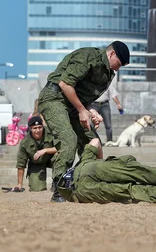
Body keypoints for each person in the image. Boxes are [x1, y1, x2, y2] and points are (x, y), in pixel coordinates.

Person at [36, 41, 130, 202]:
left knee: (92, 142)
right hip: (54, 98)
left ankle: (86, 181)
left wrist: (91, 111)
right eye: (119, 64)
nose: (117, 68)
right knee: (68, 139)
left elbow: (82, 95)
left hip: (72, 104)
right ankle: (60, 188)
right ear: (112, 54)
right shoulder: (88, 56)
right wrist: (81, 111)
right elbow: (65, 84)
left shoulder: (107, 72)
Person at [56, 138, 156, 204]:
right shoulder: (84, 160)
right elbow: (95, 141)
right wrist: (99, 160)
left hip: (80, 193)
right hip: (90, 167)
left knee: (127, 191)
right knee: (138, 172)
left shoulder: (68, 194)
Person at [13, 116, 56, 192]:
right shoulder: (25, 142)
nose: (38, 130)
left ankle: (57, 182)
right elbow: (21, 164)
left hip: (51, 159)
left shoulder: (51, 134)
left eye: (40, 127)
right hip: (36, 163)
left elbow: (61, 148)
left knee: (61, 156)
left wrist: (45, 150)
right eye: (35, 128)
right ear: (30, 129)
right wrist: (19, 184)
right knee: (36, 189)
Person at [91, 73, 123, 143]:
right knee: (92, 124)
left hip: (104, 105)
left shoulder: (107, 84)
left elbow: (113, 95)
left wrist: (118, 104)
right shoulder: (91, 84)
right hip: (94, 105)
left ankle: (109, 141)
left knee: (108, 124)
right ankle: (92, 140)